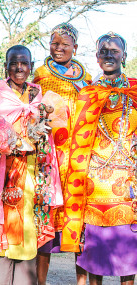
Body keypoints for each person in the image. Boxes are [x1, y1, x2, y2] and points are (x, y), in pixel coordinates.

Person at [0, 45, 62, 285]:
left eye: (24, 63)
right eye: (14, 63)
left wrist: (39, 135)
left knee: (28, 229)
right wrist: (17, 140)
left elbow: (46, 136)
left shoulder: (38, 95)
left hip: (31, 175)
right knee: (3, 232)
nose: (19, 68)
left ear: (31, 65)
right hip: (3, 175)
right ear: (5, 66)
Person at [62, 32, 137, 285]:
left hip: (128, 185)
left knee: (129, 259)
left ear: (123, 56)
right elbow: (76, 141)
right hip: (94, 184)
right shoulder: (87, 93)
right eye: (103, 51)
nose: (108, 55)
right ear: (96, 57)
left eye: (114, 51)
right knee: (95, 259)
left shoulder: (135, 91)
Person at [32, 23, 92, 285]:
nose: (58, 48)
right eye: (54, 44)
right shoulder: (40, 75)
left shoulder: (87, 79)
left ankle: (81, 282)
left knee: (78, 222)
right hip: (48, 158)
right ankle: (40, 281)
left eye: (64, 45)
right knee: (45, 222)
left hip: (78, 160)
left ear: (75, 48)